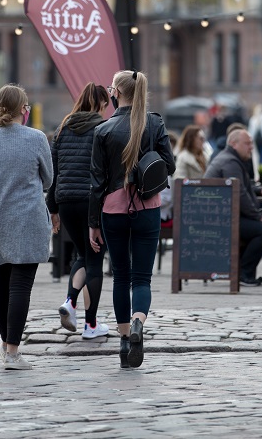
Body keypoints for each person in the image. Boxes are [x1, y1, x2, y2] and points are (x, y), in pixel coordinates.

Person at [89, 70, 175, 369]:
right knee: (142, 278)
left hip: (113, 209)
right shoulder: (154, 122)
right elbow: (170, 166)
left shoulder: (104, 129)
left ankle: (125, 342)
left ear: (116, 93)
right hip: (147, 207)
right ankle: (139, 322)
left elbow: (96, 183)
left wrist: (93, 223)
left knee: (121, 276)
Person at [0, 84, 55, 370]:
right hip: (27, 219)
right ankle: (12, 351)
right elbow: (48, 180)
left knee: (1, 282)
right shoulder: (36, 138)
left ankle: (5, 343)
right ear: (25, 109)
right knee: (21, 285)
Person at [47, 83, 110, 339]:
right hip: (91, 202)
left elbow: (53, 171)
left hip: (65, 201)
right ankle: (91, 325)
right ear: (99, 104)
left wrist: (52, 208)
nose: (107, 109)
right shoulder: (102, 129)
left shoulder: (62, 128)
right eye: (105, 104)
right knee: (94, 259)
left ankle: (71, 303)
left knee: (82, 255)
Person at [204, 129, 262, 287]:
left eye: (251, 143)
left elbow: (243, 185)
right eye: (247, 143)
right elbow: (240, 194)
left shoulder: (230, 159)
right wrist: (258, 217)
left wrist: (258, 190)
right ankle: (244, 273)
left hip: (222, 216)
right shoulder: (230, 162)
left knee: (260, 228)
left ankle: (241, 271)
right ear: (233, 144)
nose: (251, 147)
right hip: (220, 221)